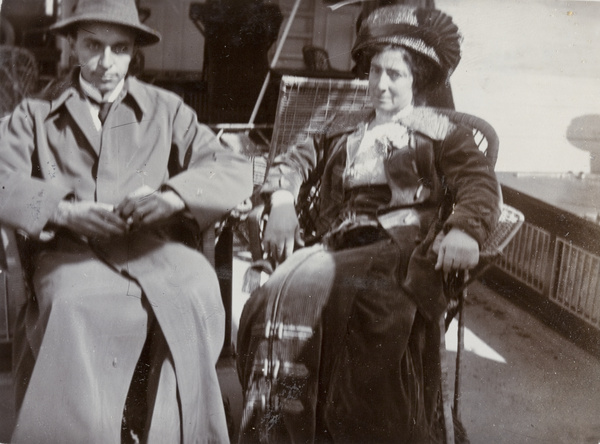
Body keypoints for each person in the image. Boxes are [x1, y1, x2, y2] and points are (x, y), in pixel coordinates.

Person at [236, 5, 501, 443]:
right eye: (376, 71)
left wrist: (464, 228)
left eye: (395, 74)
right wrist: (282, 199)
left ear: (416, 78)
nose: (381, 84)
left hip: (400, 248)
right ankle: (280, 427)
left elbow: (478, 182)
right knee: (271, 296)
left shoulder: (439, 131)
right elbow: (294, 157)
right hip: (339, 240)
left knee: (345, 303)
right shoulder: (345, 127)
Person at [0, 0, 253, 442]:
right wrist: (61, 210)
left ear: (134, 51)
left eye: (119, 49)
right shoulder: (34, 115)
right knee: (74, 303)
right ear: (72, 46)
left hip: (158, 250)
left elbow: (232, 166)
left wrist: (174, 198)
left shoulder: (166, 109)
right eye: (92, 45)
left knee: (194, 290)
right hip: (70, 251)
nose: (105, 63)